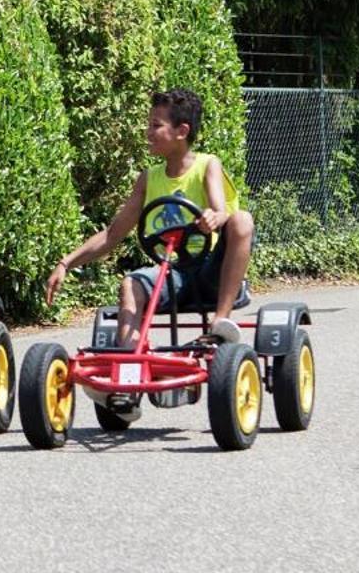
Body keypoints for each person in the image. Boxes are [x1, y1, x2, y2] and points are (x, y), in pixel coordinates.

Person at [44, 87, 254, 366]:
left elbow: (221, 210)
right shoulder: (148, 179)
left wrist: (214, 218)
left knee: (242, 220)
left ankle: (220, 323)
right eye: (149, 125)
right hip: (173, 274)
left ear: (181, 131)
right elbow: (112, 234)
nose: (148, 132)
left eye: (156, 125)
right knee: (132, 283)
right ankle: (129, 367)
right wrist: (65, 263)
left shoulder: (207, 165)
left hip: (210, 272)